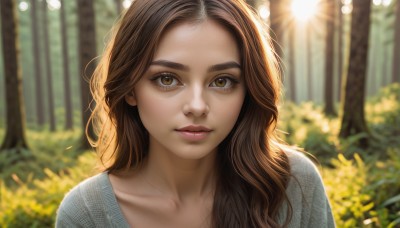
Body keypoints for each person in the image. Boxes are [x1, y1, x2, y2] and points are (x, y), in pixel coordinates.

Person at [56, 0, 335, 227]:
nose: (197, 106)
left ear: (247, 89)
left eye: (222, 80)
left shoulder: (293, 185)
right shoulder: (86, 215)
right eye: (167, 79)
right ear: (130, 88)